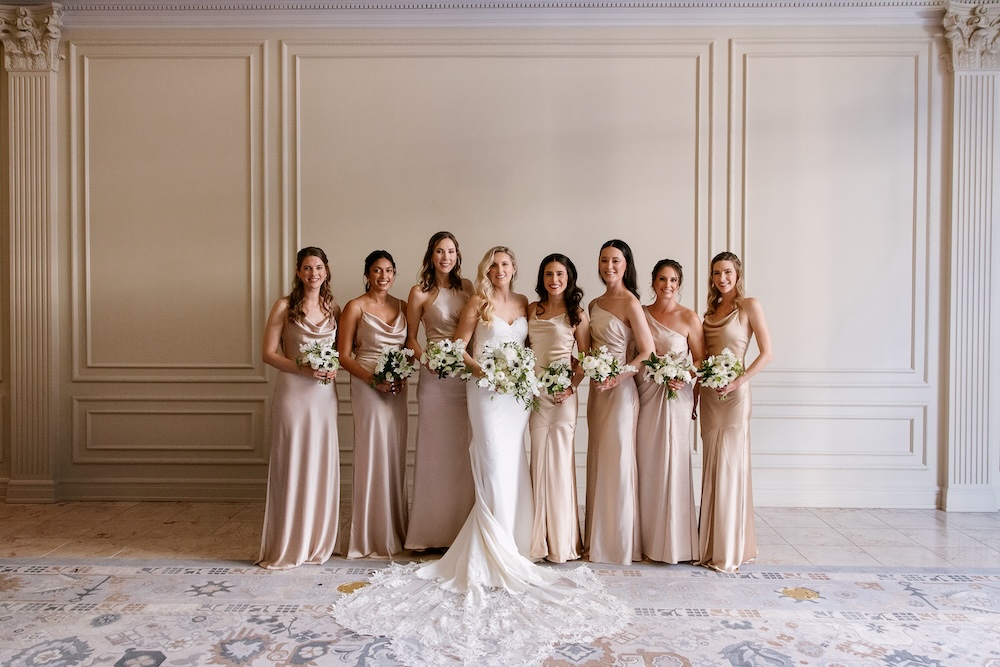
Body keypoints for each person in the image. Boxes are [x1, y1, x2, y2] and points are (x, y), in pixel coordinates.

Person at [331, 246, 628, 666]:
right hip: (486, 393)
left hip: (518, 396)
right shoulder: (477, 302)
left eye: (507, 263)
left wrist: (524, 375)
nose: (501, 269)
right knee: (490, 462)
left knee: (511, 466)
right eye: (495, 264)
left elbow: (535, 346)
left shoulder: (526, 303)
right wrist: (485, 373)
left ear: (515, 269)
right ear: (487, 270)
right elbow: (458, 348)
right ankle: (490, 548)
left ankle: (513, 541)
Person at [257, 247, 341, 570]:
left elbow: (341, 353)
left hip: (324, 397)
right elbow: (267, 353)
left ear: (326, 270)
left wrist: (332, 368)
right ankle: (289, 542)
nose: (313, 274)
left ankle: (317, 540)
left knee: (319, 462)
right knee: (292, 462)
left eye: (319, 267)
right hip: (294, 393)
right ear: (298, 271)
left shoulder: (333, 306)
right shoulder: (284, 306)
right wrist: (301, 368)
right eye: (307, 268)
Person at [697, 251, 773, 572]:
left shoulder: (749, 306)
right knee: (712, 467)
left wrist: (737, 381)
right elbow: (702, 357)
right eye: (716, 273)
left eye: (727, 272)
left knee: (731, 467)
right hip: (709, 397)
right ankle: (712, 543)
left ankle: (730, 549)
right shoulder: (710, 312)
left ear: (737, 275)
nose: (722, 278)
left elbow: (767, 353)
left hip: (735, 397)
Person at [584, 239, 654, 565]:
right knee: (600, 461)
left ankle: (621, 545)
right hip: (597, 393)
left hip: (622, 393)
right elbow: (587, 351)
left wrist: (619, 376)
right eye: (603, 261)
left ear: (626, 264)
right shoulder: (593, 304)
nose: (608, 267)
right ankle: (598, 541)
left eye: (615, 261)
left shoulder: (630, 303)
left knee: (620, 461)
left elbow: (648, 352)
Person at [404, 231, 475, 551]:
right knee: (434, 452)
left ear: (457, 256)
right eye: (439, 251)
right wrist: (426, 360)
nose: (445, 257)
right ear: (430, 256)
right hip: (433, 380)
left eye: (450, 251)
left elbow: (474, 333)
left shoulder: (469, 288)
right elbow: (410, 339)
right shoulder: (418, 293)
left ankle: (461, 530)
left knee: (462, 451)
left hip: (463, 378)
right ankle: (428, 532)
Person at [337, 250, 409, 559]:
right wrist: (372, 379)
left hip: (397, 388)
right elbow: (342, 355)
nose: (384, 276)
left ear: (395, 274)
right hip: (367, 384)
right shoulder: (355, 307)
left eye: (389, 271)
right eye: (377, 271)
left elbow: (410, 348)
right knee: (371, 453)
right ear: (367, 274)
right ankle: (368, 535)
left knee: (394, 452)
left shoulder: (403, 306)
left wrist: (402, 373)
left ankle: (394, 530)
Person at [635, 259, 704, 564]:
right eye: (662, 279)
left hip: (677, 396)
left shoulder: (689, 317)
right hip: (647, 394)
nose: (667, 285)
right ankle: (648, 539)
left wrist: (684, 376)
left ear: (679, 283)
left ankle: (676, 543)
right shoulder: (642, 314)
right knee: (647, 462)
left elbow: (701, 361)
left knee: (674, 462)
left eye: (673, 280)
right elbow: (636, 353)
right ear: (653, 282)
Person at [527, 253, 589, 563]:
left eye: (560, 274)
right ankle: (538, 540)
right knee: (538, 460)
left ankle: (563, 541)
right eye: (549, 274)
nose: (554, 279)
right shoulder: (531, 310)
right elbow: (523, 351)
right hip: (536, 395)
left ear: (569, 278)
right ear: (542, 278)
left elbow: (587, 359)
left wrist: (570, 386)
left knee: (561, 463)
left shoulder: (577, 313)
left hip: (563, 398)